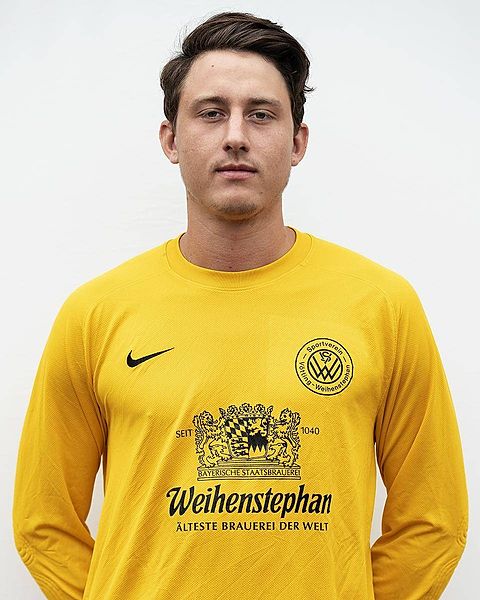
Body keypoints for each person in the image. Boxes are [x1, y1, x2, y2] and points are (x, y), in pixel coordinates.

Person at [12, 11, 468, 600]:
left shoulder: (382, 306)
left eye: (261, 114)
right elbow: (42, 522)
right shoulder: (96, 314)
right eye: (210, 112)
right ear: (171, 140)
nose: (235, 135)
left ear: (297, 142)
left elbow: (434, 521)